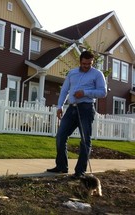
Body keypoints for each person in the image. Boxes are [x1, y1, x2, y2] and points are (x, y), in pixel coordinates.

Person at [47, 50, 107, 179]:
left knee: (85, 140)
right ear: (80, 61)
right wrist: (60, 106)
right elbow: (64, 90)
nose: (87, 66)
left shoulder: (97, 74)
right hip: (71, 109)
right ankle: (61, 166)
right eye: (84, 63)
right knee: (60, 136)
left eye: (89, 63)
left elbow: (103, 92)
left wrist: (85, 92)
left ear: (92, 62)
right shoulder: (72, 73)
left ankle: (80, 171)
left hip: (86, 108)